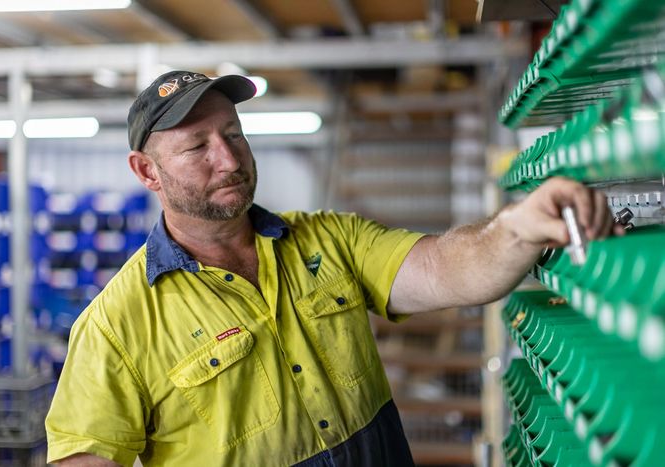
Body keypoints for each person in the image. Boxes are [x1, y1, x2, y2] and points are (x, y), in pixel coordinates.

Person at [45, 70, 620, 467]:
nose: (229, 158)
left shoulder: (329, 240)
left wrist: (516, 226)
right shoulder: (115, 327)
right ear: (147, 172)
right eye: (197, 147)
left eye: (234, 135)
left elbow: (449, 268)